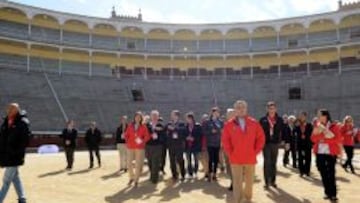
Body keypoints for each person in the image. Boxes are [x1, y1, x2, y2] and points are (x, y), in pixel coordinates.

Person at [222, 100, 265, 203]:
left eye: (243, 107)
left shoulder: (254, 123)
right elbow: (225, 140)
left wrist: (255, 151)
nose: (241, 110)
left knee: (249, 181)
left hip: (250, 157)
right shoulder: (229, 124)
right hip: (235, 157)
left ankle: (248, 198)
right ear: (235, 110)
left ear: (246, 109)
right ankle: (238, 200)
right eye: (238, 108)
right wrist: (230, 153)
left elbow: (261, 138)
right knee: (237, 181)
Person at [0, 103, 31, 203]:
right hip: (6, 155)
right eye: (8, 109)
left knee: (6, 181)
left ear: (17, 110)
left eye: (11, 109)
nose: (8, 110)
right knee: (15, 177)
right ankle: (22, 199)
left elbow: (25, 141)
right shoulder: (6, 121)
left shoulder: (23, 123)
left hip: (15, 157)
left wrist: (15, 152)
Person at [311, 109, 341, 202]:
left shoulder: (334, 126)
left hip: (331, 153)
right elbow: (312, 138)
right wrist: (324, 136)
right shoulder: (317, 126)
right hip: (320, 153)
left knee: (331, 173)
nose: (318, 117)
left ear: (325, 116)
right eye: (318, 116)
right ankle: (327, 192)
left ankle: (333, 194)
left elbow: (337, 139)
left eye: (320, 115)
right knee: (323, 173)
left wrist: (323, 140)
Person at [259, 101, 283, 189]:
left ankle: (273, 181)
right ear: (267, 109)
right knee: (267, 162)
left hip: (275, 144)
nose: (271, 110)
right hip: (265, 144)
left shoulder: (279, 119)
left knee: (273, 162)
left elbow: (283, 131)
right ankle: (267, 182)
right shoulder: (263, 119)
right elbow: (259, 133)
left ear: (275, 109)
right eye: (270, 108)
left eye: (273, 108)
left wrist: (286, 141)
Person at [124, 111, 150, 187]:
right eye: (136, 117)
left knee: (138, 164)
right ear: (134, 117)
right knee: (129, 164)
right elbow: (126, 135)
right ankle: (131, 177)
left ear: (141, 118)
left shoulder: (143, 126)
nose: (137, 118)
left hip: (139, 147)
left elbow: (147, 136)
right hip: (130, 147)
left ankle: (136, 180)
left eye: (139, 117)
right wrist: (128, 141)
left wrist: (142, 141)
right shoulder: (130, 126)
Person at [203, 107, 224, 182]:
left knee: (216, 159)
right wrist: (211, 132)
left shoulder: (221, 122)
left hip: (217, 142)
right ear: (212, 113)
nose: (217, 114)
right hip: (210, 143)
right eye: (215, 112)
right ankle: (209, 174)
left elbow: (223, 131)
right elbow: (204, 132)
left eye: (218, 112)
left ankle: (215, 173)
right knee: (210, 159)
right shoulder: (207, 122)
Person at [166, 110, 186, 182]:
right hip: (171, 145)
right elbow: (165, 130)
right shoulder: (169, 123)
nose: (171, 116)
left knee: (180, 160)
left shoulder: (181, 123)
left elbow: (183, 130)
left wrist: (175, 128)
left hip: (179, 145)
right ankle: (174, 175)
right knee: (172, 160)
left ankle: (183, 174)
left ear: (177, 116)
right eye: (171, 115)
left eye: (173, 115)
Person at [145, 110, 166, 184]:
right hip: (148, 146)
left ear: (158, 117)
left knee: (155, 162)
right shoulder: (147, 125)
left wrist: (159, 135)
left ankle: (155, 178)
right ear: (150, 117)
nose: (154, 117)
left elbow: (164, 136)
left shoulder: (161, 126)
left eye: (155, 116)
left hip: (157, 146)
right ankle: (152, 175)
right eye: (153, 115)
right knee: (150, 162)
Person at [184, 112, 203, 178]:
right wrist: (186, 138)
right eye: (187, 119)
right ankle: (190, 173)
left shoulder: (198, 126)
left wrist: (194, 138)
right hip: (187, 146)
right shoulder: (185, 126)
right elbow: (183, 135)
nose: (188, 120)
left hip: (196, 145)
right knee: (188, 160)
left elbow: (200, 135)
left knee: (196, 160)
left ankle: (195, 172)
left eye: (189, 118)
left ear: (192, 119)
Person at [295, 112, 313, 177]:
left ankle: (307, 171)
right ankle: (301, 171)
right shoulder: (297, 125)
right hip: (300, 143)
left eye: (303, 116)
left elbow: (312, 134)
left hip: (307, 143)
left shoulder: (309, 125)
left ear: (305, 117)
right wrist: (296, 122)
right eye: (301, 116)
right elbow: (294, 132)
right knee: (300, 158)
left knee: (308, 158)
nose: (302, 117)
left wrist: (306, 136)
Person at [224, 108, 236, 191]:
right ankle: (233, 181)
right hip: (226, 149)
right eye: (228, 114)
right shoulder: (224, 124)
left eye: (231, 113)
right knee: (228, 167)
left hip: (235, 149)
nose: (229, 115)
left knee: (234, 167)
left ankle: (235, 183)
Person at [199, 114, 209, 179]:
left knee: (207, 159)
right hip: (201, 145)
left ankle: (207, 172)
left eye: (205, 118)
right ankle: (206, 170)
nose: (204, 120)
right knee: (202, 159)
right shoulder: (200, 126)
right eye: (203, 119)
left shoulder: (209, 126)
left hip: (208, 145)